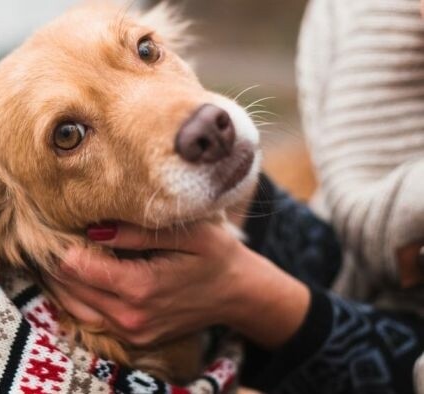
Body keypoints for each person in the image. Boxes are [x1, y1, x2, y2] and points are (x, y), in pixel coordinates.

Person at [47, 1, 424, 393]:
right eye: (68, 135)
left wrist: (246, 294)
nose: (200, 121)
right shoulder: (344, 13)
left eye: (146, 50)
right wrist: (239, 221)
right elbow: (355, 261)